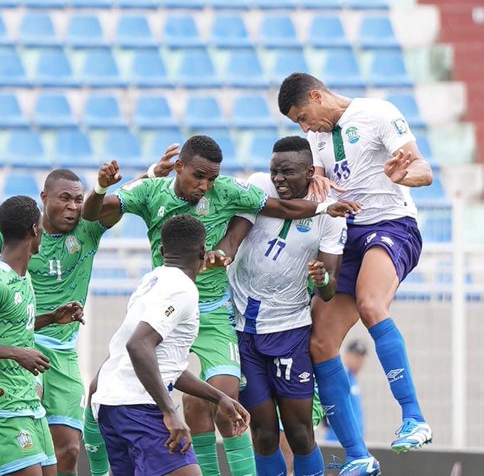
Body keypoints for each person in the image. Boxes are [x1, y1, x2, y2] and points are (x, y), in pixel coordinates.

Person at [82, 135, 360, 476]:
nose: (205, 186)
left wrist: (323, 208)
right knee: (108, 389)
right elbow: (92, 213)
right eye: (199, 176)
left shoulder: (227, 191)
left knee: (227, 398)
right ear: (179, 167)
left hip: (215, 312)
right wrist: (100, 188)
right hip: (165, 309)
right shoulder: (151, 193)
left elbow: (281, 209)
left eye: (211, 178)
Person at [0, 150, 177, 476]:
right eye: (65, 199)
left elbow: (119, 200)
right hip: (24, 344)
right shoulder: (20, 230)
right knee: (28, 422)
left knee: (69, 450)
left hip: (64, 349)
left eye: (78, 200)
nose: (73, 207)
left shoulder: (89, 227)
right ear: (44, 198)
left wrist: (151, 174)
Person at [278, 72, 434, 475]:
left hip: (391, 225)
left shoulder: (377, 113)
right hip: (346, 234)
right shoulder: (317, 137)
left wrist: (403, 175)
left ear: (316, 95)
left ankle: (414, 417)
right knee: (320, 342)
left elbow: (424, 169)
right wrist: (315, 179)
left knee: (370, 303)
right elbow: (319, 181)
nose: (304, 127)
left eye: (303, 117)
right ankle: (357, 455)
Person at [210, 136, 347, 476]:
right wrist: (221, 254)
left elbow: (330, 289)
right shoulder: (259, 186)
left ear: (310, 172)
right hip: (243, 330)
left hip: (289, 331)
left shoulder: (330, 212)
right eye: (275, 171)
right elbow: (233, 238)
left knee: (299, 434)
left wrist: (321, 279)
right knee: (263, 433)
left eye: (288, 172)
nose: (279, 179)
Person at [92, 215, 250, 476]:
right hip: (138, 407)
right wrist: (170, 412)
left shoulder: (151, 281)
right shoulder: (181, 289)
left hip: (112, 405)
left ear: (163, 250)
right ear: (203, 252)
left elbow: (165, 365)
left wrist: (219, 397)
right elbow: (138, 345)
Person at [0, 195, 86, 476]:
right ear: (34, 230)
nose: (43, 231)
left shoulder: (24, 278)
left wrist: (51, 318)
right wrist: (17, 354)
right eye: (41, 226)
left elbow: (11, 330)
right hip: (1, 404)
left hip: (28, 401)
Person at [323, 341, 368, 443]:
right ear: (347, 355)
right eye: (356, 356)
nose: (359, 361)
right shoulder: (342, 377)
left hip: (355, 440)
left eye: (362, 358)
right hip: (339, 441)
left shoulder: (353, 379)